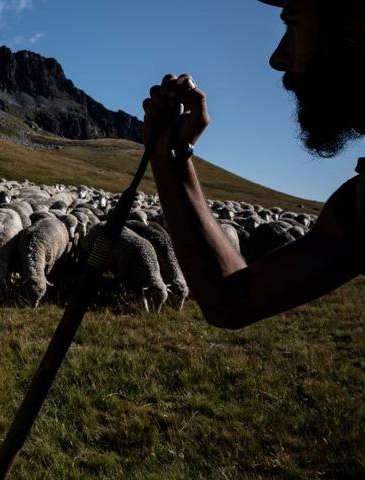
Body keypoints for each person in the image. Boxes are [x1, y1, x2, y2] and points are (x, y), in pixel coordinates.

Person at [141, 0, 364, 329]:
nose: (277, 57)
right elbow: (230, 302)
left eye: (293, 24)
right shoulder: (359, 205)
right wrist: (171, 157)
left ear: (358, 25)